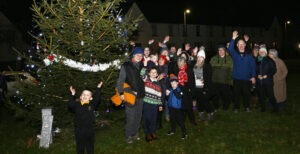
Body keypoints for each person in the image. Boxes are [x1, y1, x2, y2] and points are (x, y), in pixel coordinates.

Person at [116, 47, 145, 144]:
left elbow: (143, 78)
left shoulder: (142, 65)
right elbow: (120, 80)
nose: (139, 56)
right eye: (138, 54)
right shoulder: (126, 65)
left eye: (141, 55)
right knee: (130, 116)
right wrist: (121, 93)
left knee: (138, 116)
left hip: (140, 95)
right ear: (133, 55)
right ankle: (128, 136)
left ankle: (135, 133)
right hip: (130, 95)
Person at [68, 81, 103, 154]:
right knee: (80, 146)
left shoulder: (92, 105)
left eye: (87, 95)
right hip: (79, 130)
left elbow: (97, 98)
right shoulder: (77, 104)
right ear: (80, 97)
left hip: (89, 129)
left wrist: (98, 89)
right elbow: (70, 105)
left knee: (90, 146)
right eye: (83, 94)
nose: (85, 96)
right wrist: (72, 95)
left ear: (91, 98)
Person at [228, 31, 256, 113]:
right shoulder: (234, 54)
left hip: (246, 78)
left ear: (245, 45)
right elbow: (229, 49)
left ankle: (247, 106)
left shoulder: (249, 54)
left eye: (242, 44)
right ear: (237, 45)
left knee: (246, 94)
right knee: (236, 94)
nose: (241, 45)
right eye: (239, 44)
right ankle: (236, 107)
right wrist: (233, 38)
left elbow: (253, 66)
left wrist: (253, 76)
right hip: (236, 78)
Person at [170, 57, 196, 125]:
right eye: (179, 65)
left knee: (189, 106)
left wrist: (192, 90)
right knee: (181, 105)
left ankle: (192, 120)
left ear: (185, 63)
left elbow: (192, 81)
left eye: (181, 64)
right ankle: (182, 119)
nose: (180, 66)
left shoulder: (189, 70)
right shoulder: (176, 69)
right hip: (179, 88)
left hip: (187, 89)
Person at [141, 67, 163, 143]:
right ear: (149, 73)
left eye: (155, 72)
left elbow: (159, 95)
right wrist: (144, 67)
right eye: (152, 72)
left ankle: (152, 131)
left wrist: (160, 105)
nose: (153, 74)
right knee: (147, 118)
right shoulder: (146, 80)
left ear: (157, 74)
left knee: (154, 119)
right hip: (147, 103)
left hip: (155, 104)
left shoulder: (158, 84)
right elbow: (142, 74)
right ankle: (147, 133)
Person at [210, 45, 233, 111]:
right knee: (215, 96)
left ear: (225, 50)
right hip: (215, 81)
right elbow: (210, 69)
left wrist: (230, 80)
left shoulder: (229, 59)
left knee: (226, 96)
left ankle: (226, 107)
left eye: (222, 50)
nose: (221, 51)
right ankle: (215, 107)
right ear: (218, 51)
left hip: (225, 81)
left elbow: (232, 70)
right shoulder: (214, 58)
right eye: (219, 50)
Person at [193, 50, 214, 121]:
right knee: (199, 102)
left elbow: (208, 78)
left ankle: (210, 113)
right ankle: (201, 114)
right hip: (197, 87)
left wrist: (205, 89)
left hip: (204, 87)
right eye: (198, 57)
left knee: (205, 102)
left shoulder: (207, 65)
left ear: (204, 57)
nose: (199, 58)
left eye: (201, 57)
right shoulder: (195, 65)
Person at [166, 75, 187, 140]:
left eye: (174, 83)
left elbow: (178, 96)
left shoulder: (179, 90)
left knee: (180, 121)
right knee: (172, 120)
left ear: (177, 83)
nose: (173, 84)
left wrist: (175, 89)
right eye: (171, 83)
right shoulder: (170, 89)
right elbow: (168, 98)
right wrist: (167, 95)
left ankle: (184, 133)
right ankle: (173, 130)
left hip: (177, 109)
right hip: (171, 107)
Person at [256, 47, 277, 112]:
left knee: (271, 96)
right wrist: (257, 75)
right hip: (260, 82)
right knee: (261, 96)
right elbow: (255, 70)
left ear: (265, 52)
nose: (262, 53)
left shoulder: (270, 60)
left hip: (268, 81)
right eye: (260, 52)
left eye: (263, 52)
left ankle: (276, 108)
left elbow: (274, 70)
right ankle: (263, 108)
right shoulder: (257, 60)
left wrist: (267, 75)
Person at [156, 55, 169, 128]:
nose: (160, 61)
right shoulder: (156, 67)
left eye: (162, 60)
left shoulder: (165, 67)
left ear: (164, 61)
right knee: (156, 105)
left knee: (160, 105)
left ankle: (159, 124)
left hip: (162, 89)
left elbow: (163, 74)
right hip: (156, 88)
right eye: (159, 60)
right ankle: (156, 122)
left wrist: (158, 77)